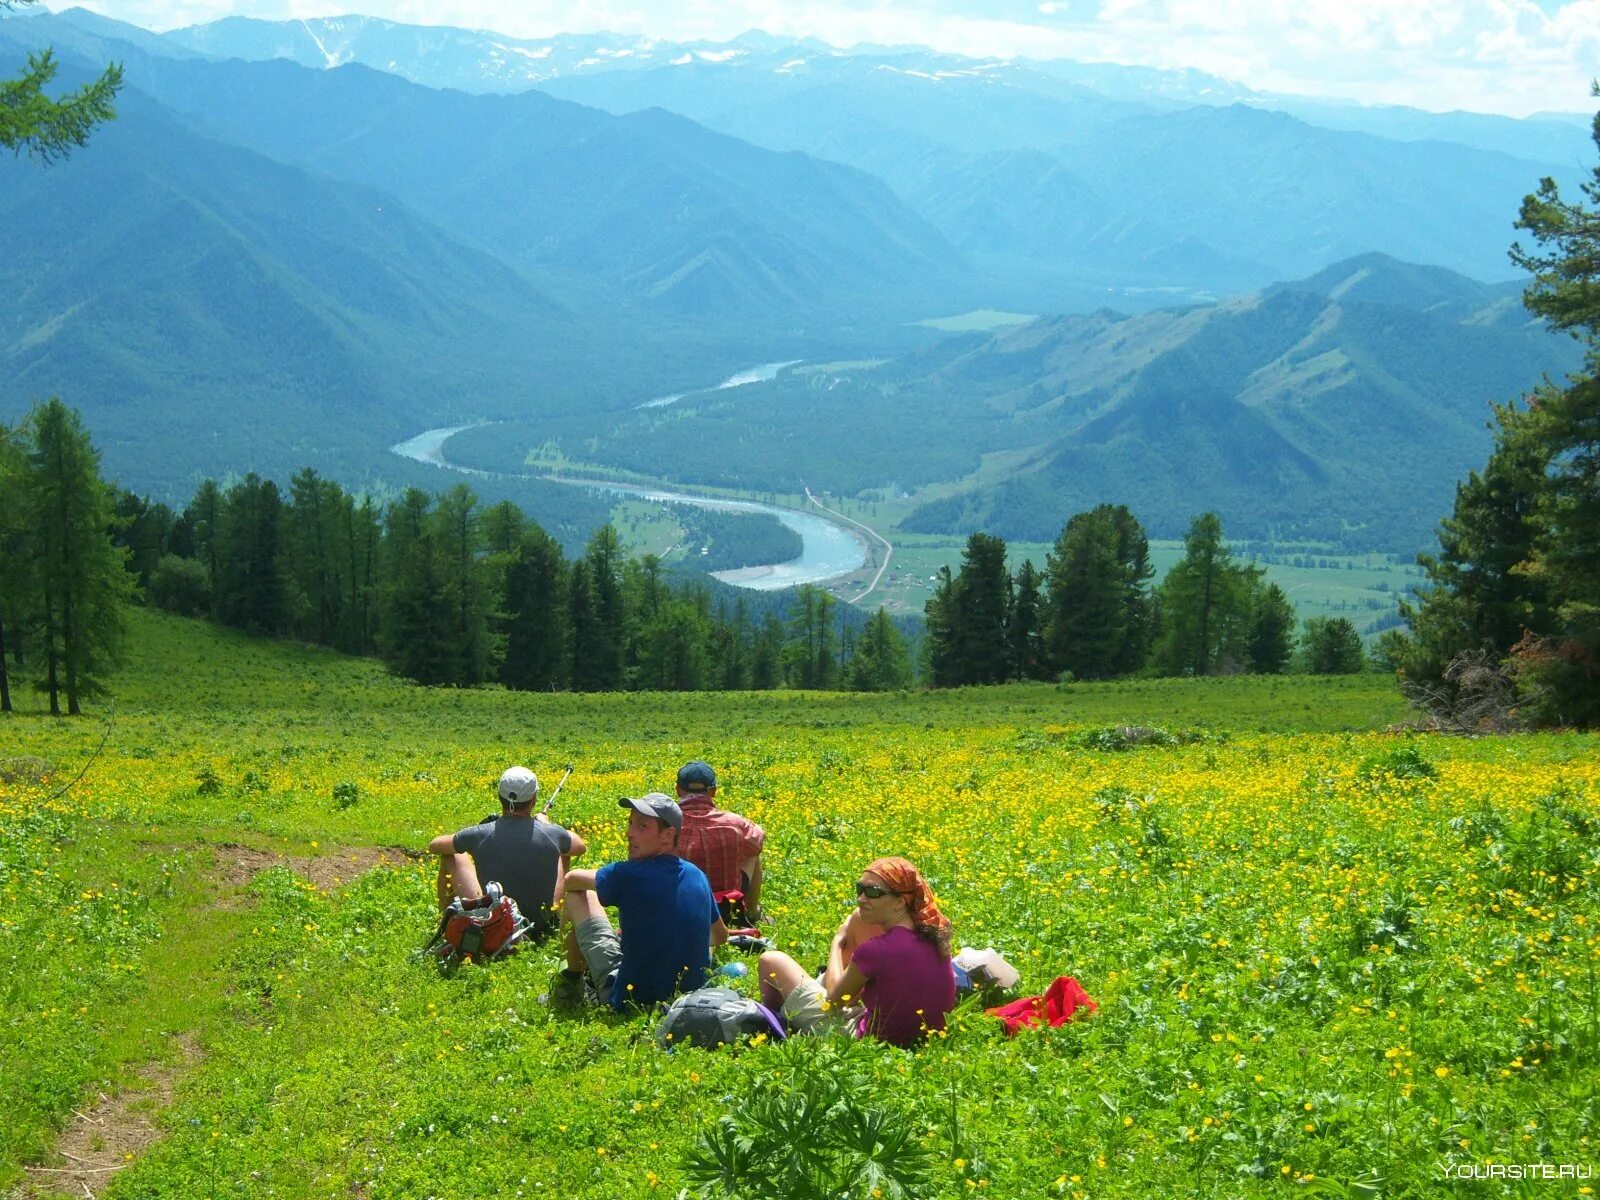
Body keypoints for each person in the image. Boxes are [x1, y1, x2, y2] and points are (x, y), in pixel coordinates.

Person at [757, 856, 955, 1047]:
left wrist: (837, 942)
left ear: (900, 902)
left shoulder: (876, 950)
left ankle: (774, 1023)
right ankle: (813, 993)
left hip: (863, 1041)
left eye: (873, 892)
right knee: (857, 918)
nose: (861, 898)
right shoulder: (935, 936)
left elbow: (833, 1001)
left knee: (771, 961)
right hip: (924, 1036)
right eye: (859, 889)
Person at [553, 792, 727, 1010]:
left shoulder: (628, 874)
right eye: (630, 823)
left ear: (668, 835)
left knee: (579, 894)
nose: (629, 833)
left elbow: (571, 879)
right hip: (686, 1000)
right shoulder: (698, 875)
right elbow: (720, 936)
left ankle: (571, 980)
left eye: (642, 826)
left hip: (630, 999)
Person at [427, 766, 585, 938]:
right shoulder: (552, 833)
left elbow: (434, 845)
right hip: (541, 922)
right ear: (534, 799)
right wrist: (545, 825)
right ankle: (554, 912)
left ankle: (446, 921)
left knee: (452, 855)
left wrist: (471, 836)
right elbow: (579, 846)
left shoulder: (480, 833)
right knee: (564, 852)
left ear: (499, 796)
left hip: (493, 921)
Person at [674, 760, 767, 924]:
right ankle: (751, 913)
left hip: (679, 905)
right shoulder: (735, 823)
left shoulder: (666, 823)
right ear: (713, 791)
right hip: (725, 904)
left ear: (678, 790)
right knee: (753, 856)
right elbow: (758, 841)